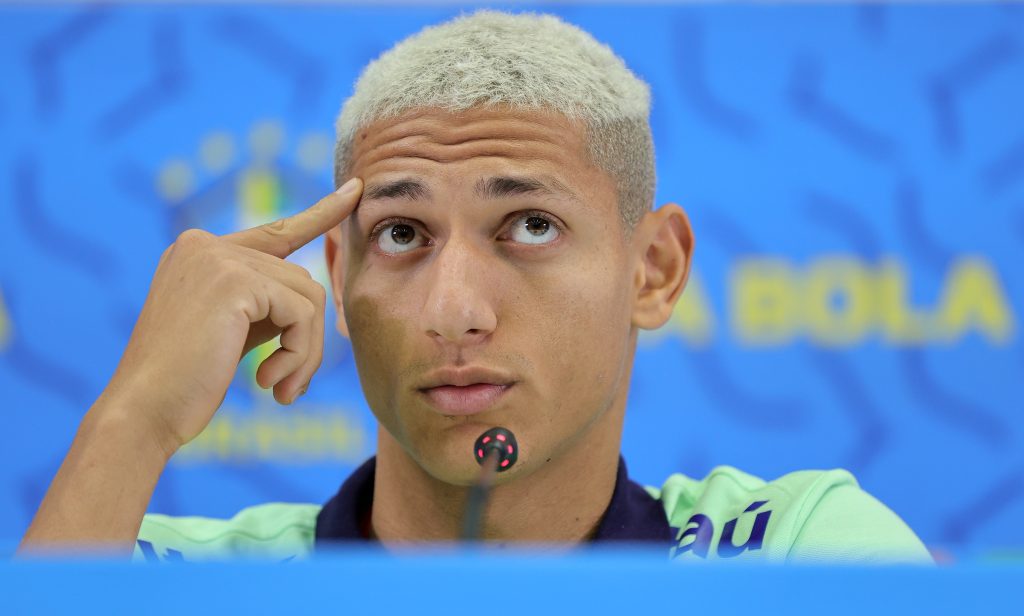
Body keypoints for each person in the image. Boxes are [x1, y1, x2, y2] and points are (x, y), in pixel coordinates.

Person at [19, 10, 931, 563]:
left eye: (530, 225)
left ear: (654, 270)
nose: (453, 311)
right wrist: (133, 420)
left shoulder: (794, 557)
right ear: (339, 276)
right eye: (401, 234)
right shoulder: (168, 578)